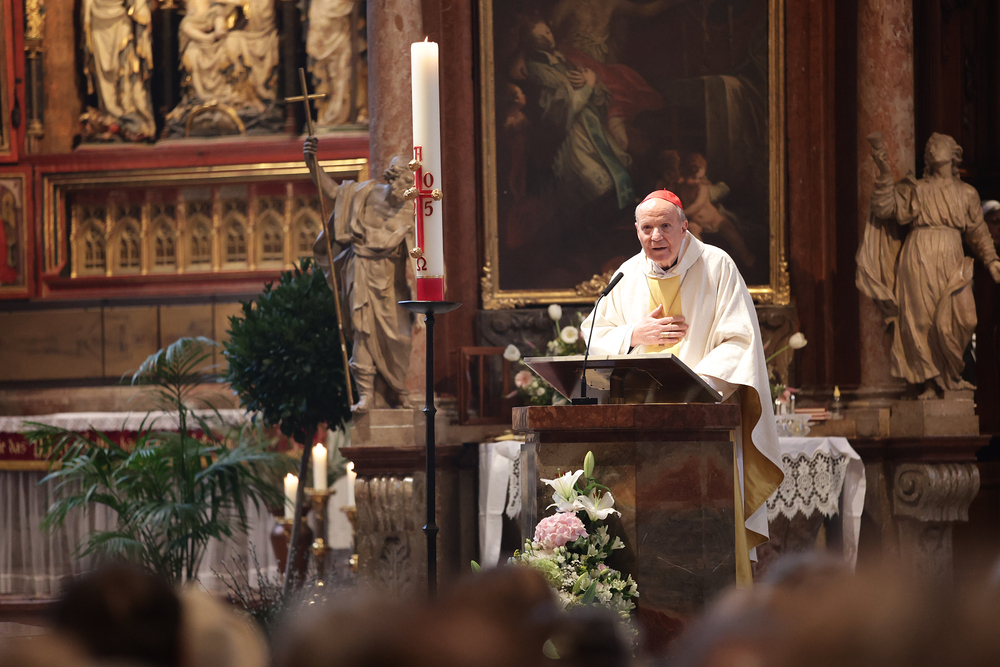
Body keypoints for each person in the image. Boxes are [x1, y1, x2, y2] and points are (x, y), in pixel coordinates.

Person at [580, 190, 783, 585]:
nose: (656, 236)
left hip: (703, 424)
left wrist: (695, 386)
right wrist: (634, 334)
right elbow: (593, 337)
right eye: (647, 228)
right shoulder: (626, 275)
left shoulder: (717, 266)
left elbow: (739, 341)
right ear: (636, 231)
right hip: (640, 429)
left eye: (665, 226)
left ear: (684, 227)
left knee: (706, 537)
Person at [857, 132, 1000, 399]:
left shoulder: (967, 193)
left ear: (953, 153)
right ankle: (931, 383)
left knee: (965, 318)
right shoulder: (916, 189)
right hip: (919, 256)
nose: (932, 149)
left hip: (951, 256)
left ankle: (952, 374)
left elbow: (978, 231)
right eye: (929, 147)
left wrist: (991, 260)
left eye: (938, 145)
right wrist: (885, 173)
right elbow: (885, 209)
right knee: (921, 321)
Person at [304, 137, 415, 414]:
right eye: (405, 182)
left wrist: (424, 295)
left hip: (391, 279)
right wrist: (312, 162)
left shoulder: (412, 210)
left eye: (412, 185)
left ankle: (397, 388)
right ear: (393, 177)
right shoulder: (365, 193)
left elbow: (420, 256)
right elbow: (332, 191)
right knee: (362, 332)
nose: (408, 190)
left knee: (401, 337)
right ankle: (366, 395)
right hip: (361, 269)